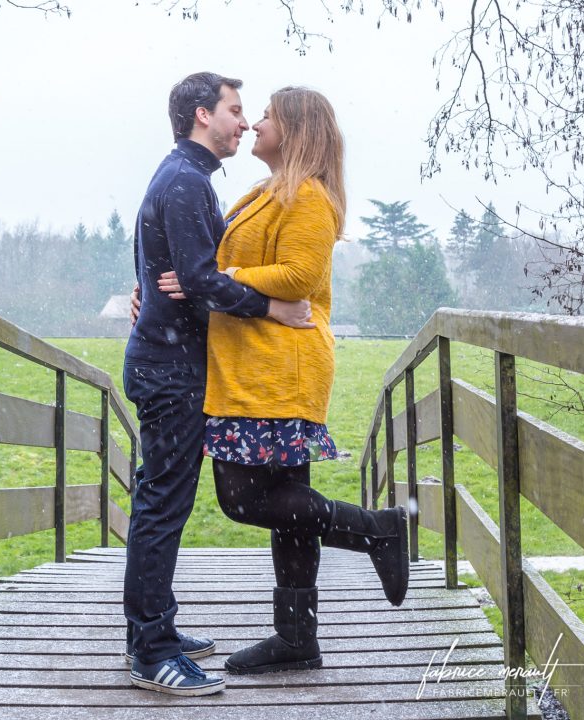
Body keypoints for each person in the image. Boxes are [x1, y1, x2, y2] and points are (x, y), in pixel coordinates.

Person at [158, 86, 410, 676]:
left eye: (266, 115)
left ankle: (378, 529)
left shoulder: (309, 199)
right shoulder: (267, 193)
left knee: (244, 498)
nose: (255, 124)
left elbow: (298, 276)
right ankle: (297, 638)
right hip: (258, 363)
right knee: (285, 504)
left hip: (278, 368)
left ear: (294, 130)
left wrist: (222, 275)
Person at [123, 72, 315, 697]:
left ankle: (158, 629)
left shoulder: (185, 178)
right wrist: (275, 310)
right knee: (162, 506)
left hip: (172, 363)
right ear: (203, 115)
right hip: (171, 370)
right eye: (236, 110)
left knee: (165, 502)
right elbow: (201, 279)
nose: (244, 122)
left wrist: (151, 290)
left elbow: (175, 272)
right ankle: (151, 650)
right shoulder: (185, 182)